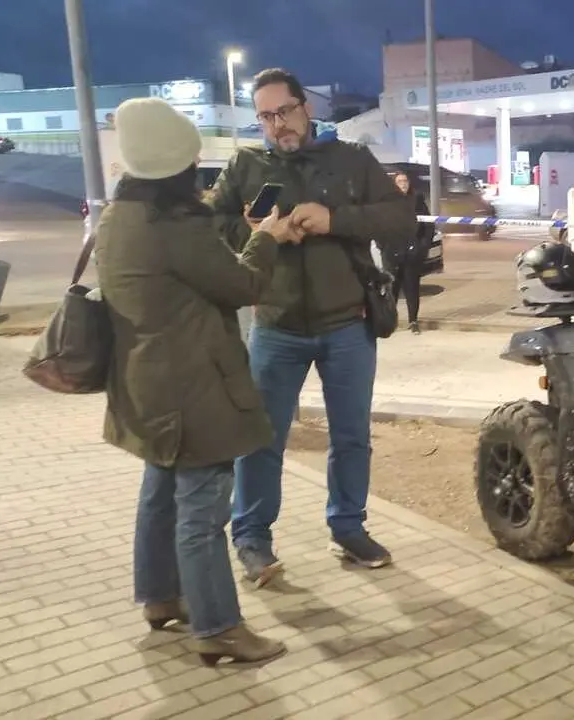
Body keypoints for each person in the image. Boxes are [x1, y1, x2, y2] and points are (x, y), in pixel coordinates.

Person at [95, 97, 301, 665]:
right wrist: (268, 236)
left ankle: (161, 597)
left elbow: (187, 268)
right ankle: (218, 628)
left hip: (144, 384)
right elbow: (243, 285)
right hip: (194, 390)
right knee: (204, 512)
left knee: (159, 493)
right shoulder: (174, 227)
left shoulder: (119, 217)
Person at [208, 68, 418, 587]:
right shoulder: (244, 165)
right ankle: (252, 537)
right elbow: (212, 227)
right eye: (266, 115)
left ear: (307, 108)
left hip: (348, 324)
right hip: (275, 325)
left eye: (285, 111)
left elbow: (401, 219)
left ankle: (348, 527)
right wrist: (258, 232)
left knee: (351, 437)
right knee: (261, 438)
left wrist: (334, 219)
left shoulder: (348, 160)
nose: (278, 124)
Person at [386, 171, 436, 334]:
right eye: (400, 181)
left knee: (412, 288)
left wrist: (423, 246)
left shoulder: (417, 198)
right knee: (392, 288)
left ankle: (413, 321)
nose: (403, 184)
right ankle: (390, 320)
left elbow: (428, 224)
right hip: (393, 252)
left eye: (405, 180)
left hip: (412, 252)